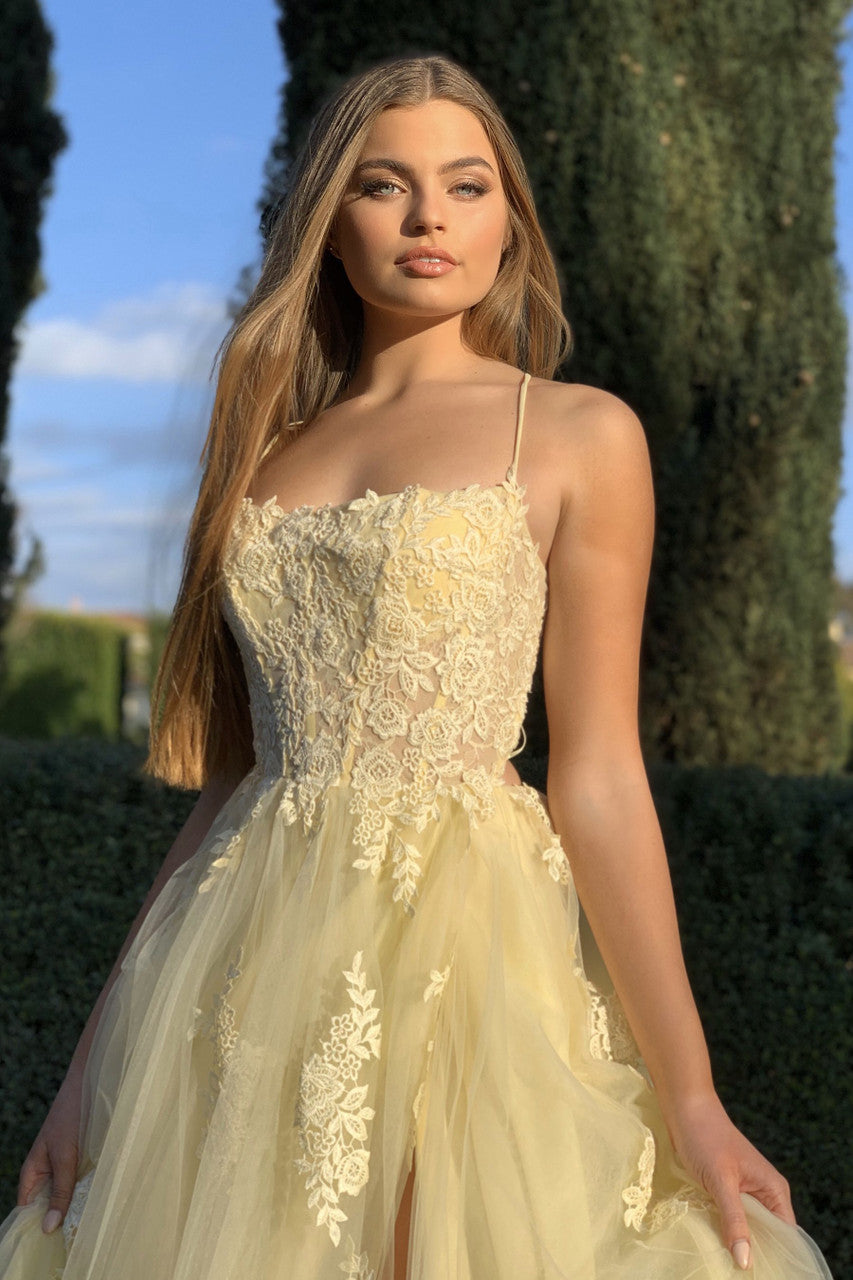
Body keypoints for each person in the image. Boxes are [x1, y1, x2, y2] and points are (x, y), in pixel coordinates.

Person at [0, 52, 835, 1280]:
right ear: (330, 223)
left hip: (471, 955)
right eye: (383, 185)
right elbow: (232, 785)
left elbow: (597, 772)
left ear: (510, 221)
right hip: (244, 964)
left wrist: (694, 1094)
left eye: (467, 184)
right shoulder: (262, 448)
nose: (429, 215)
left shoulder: (575, 431)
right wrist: (88, 1073)